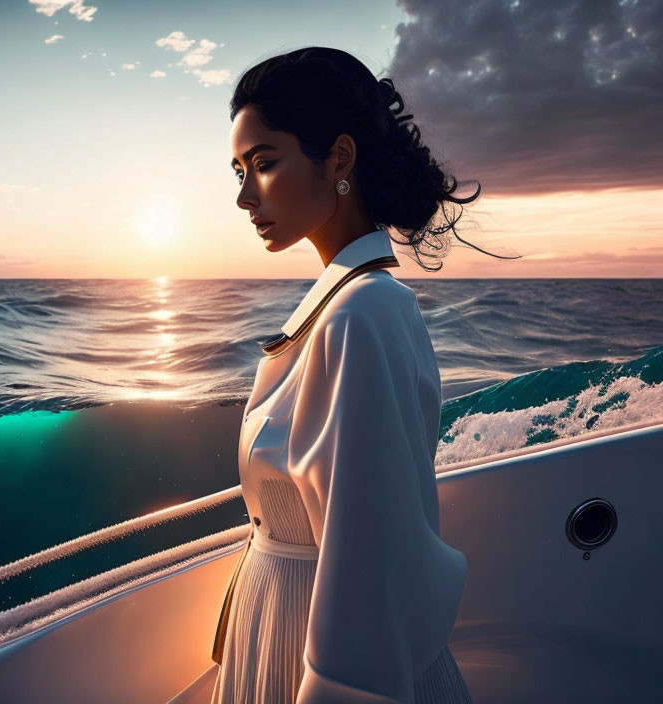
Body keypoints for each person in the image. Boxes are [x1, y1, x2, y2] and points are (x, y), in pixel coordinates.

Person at [211, 47, 511, 704]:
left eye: (263, 164)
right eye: (239, 170)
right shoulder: (341, 305)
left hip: (320, 647)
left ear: (338, 159)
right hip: (283, 628)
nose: (242, 196)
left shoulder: (364, 314)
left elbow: (372, 565)